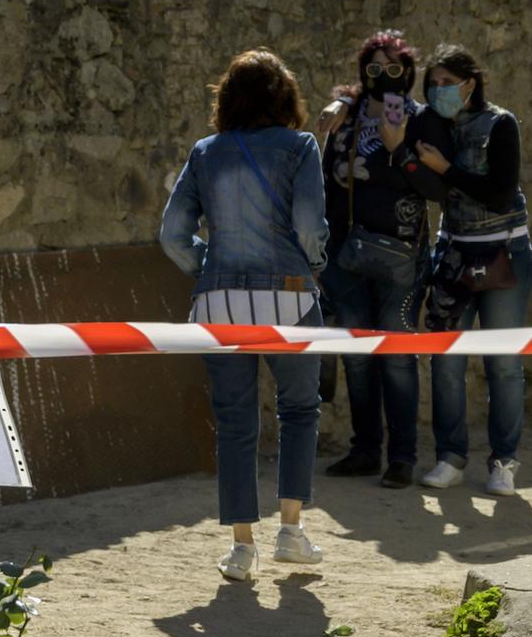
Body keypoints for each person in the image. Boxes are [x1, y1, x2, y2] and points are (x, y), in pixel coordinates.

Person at [159, 51, 330, 582]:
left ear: (226, 98)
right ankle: (292, 533)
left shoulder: (205, 152)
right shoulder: (301, 146)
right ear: (286, 97)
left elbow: (171, 234)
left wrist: (206, 267)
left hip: (219, 303)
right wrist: (316, 264)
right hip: (291, 296)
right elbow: (309, 226)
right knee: (299, 411)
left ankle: (240, 547)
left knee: (235, 424)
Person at [313, 30, 447, 488]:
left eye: (394, 69)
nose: (385, 78)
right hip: (346, 258)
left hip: (402, 261)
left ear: (408, 72)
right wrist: (321, 254)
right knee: (357, 358)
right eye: (374, 69)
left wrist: (397, 150)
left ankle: (403, 457)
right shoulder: (345, 121)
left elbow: (435, 191)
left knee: (397, 356)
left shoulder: (423, 121)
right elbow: (328, 187)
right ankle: (365, 450)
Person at [412, 45, 532, 496]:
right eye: (433, 84)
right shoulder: (433, 126)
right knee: (446, 361)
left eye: (448, 82)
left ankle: (504, 461)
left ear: (471, 82)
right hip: (453, 257)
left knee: (503, 364)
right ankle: (450, 457)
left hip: (503, 255)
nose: (440, 91)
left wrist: (446, 169)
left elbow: (500, 194)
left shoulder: (501, 123)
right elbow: (385, 106)